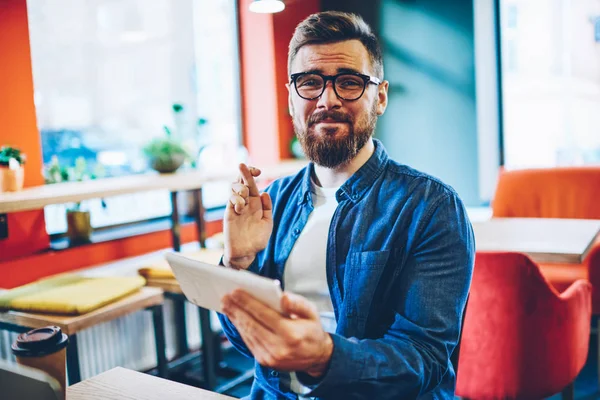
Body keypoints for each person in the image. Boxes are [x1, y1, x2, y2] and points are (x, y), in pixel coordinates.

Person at [218, 11, 474, 400]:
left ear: (381, 96)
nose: (328, 99)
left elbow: (425, 358)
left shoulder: (432, 207)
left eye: (350, 83)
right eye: (310, 83)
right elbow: (247, 341)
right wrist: (237, 263)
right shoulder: (274, 202)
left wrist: (324, 357)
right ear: (291, 98)